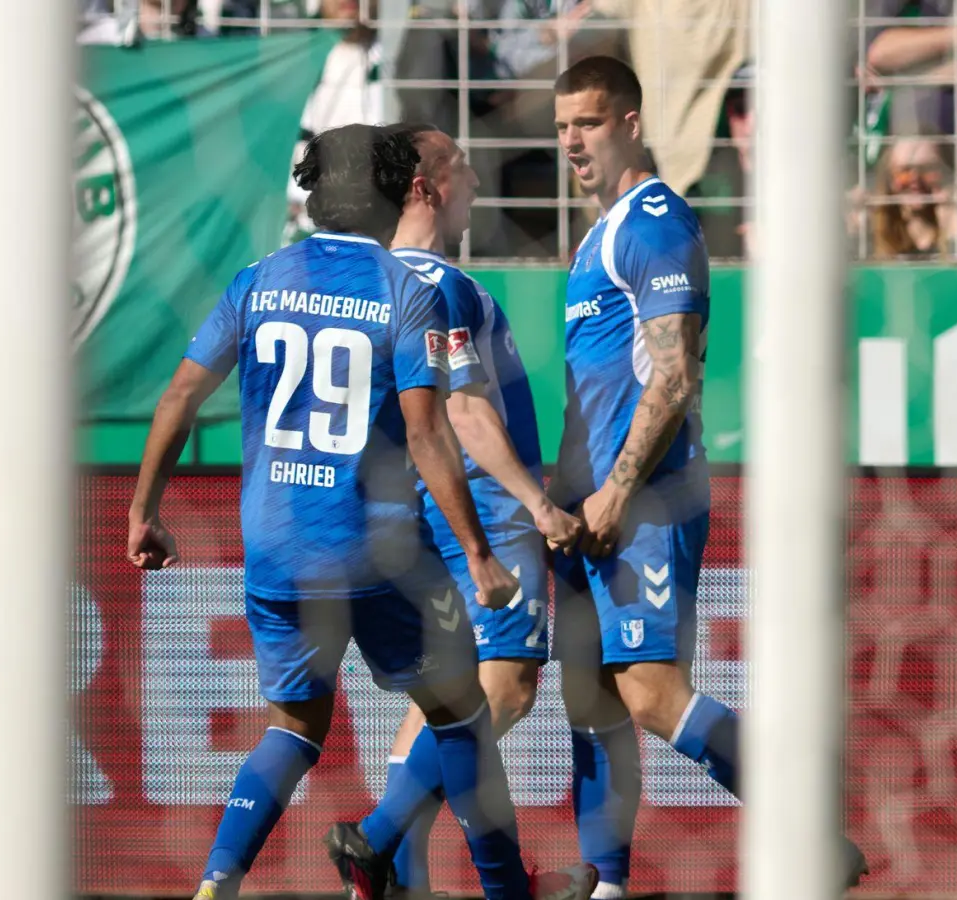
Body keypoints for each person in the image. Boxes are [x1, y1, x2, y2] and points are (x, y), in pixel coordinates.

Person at [127, 121, 593, 900]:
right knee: (461, 715)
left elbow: (179, 395)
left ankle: (218, 880)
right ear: (391, 193)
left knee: (292, 727)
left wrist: (144, 510)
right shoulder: (406, 292)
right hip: (377, 556)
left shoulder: (256, 281)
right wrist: (478, 554)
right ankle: (508, 889)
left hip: (275, 549)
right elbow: (428, 430)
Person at [549, 56, 868, 899]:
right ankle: (606, 886)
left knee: (651, 694)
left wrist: (617, 486)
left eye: (585, 122)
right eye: (560, 127)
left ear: (629, 121)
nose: (570, 142)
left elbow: (675, 371)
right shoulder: (598, 231)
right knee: (596, 700)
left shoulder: (656, 221)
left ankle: (806, 831)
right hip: (587, 500)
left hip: (645, 494)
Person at [348, 122, 587, 899]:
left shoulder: (375, 279)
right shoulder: (439, 284)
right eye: (461, 169)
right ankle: (378, 841)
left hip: (408, 517)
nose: (477, 184)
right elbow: (466, 413)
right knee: (508, 682)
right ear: (425, 186)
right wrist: (536, 504)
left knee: (442, 701)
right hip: (480, 513)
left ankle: (401, 878)